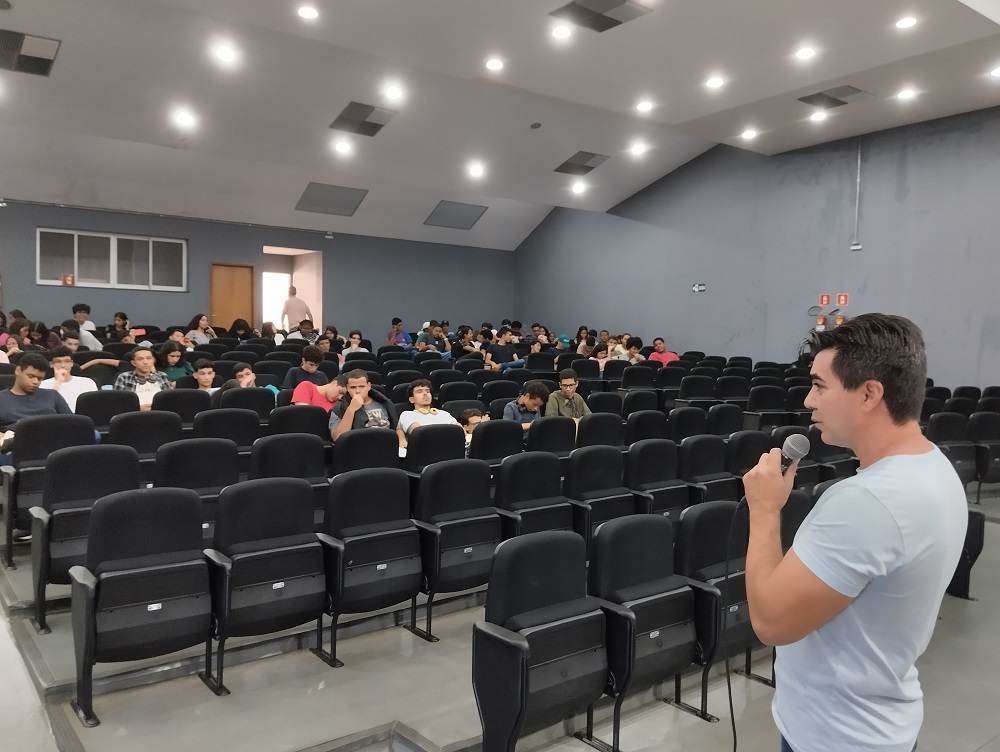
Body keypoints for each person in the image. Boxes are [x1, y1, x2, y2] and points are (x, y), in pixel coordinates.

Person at [741, 313, 966, 752]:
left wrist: (765, 512)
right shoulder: (935, 466)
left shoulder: (867, 503)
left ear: (869, 393)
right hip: (878, 724)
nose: (808, 401)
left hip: (836, 736)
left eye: (820, 386)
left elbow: (770, 621)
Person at [0, 352, 73, 464]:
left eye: (40, 378)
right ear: (18, 371)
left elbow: (73, 423)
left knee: (93, 433)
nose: (35, 382)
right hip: (16, 445)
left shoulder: (52, 395)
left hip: (52, 439)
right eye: (31, 376)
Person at [328, 369, 398, 442]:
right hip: (359, 446)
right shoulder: (339, 407)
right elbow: (337, 438)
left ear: (369, 386)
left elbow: (396, 428)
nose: (358, 391)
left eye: (361, 386)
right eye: (353, 387)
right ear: (347, 388)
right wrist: (351, 409)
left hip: (386, 444)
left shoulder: (384, 402)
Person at [395, 379, 459, 448]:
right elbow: (419, 433)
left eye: (427, 391)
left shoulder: (444, 413)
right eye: (419, 392)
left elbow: (460, 430)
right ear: (412, 399)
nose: (425, 393)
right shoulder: (407, 415)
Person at [40, 346, 97, 413]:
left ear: (72, 363)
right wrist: (58, 382)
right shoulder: (42, 385)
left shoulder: (87, 382)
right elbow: (46, 409)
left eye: (67, 361)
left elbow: (95, 407)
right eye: (58, 362)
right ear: (51, 364)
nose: (63, 365)